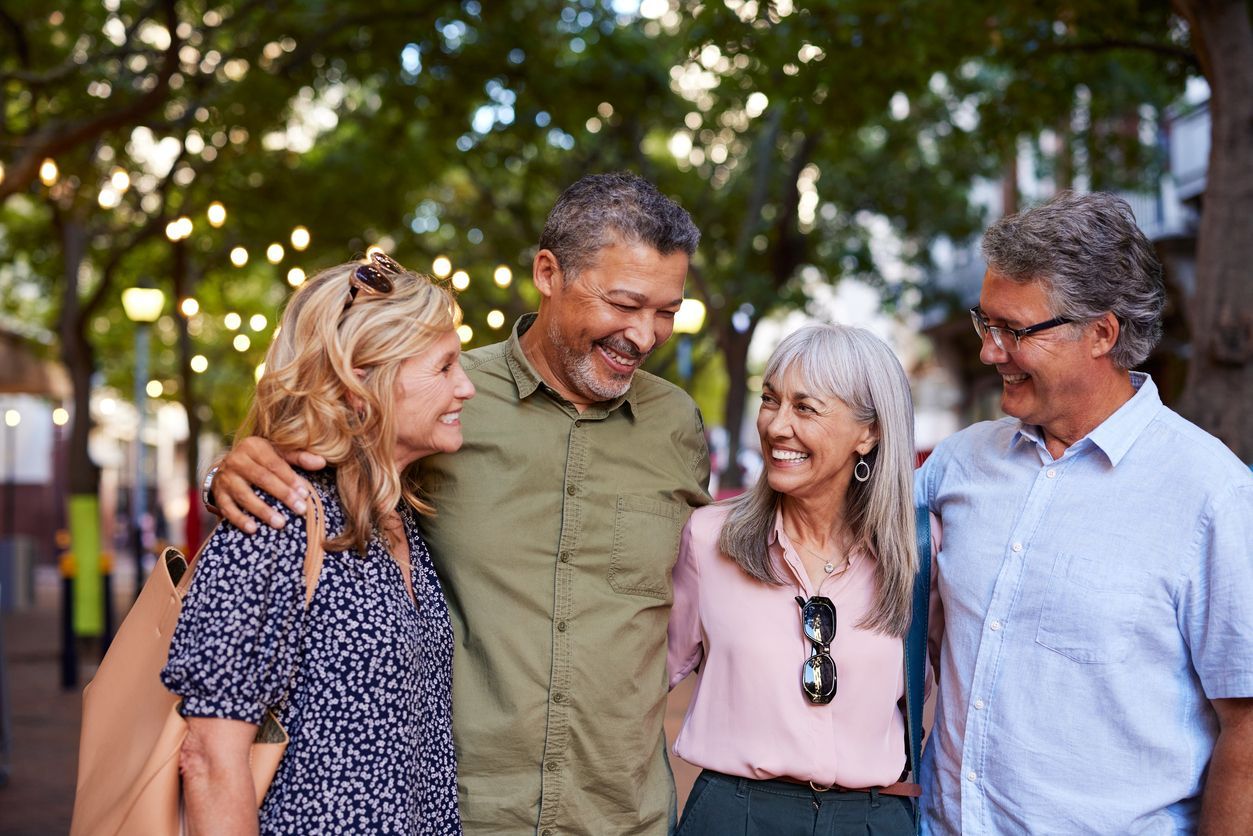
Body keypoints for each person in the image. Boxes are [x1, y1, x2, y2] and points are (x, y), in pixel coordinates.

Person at [205, 172, 711, 834]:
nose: (644, 335)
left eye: (665, 311)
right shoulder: (440, 401)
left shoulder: (677, 426)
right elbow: (322, 464)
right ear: (548, 272)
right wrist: (230, 470)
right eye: (623, 304)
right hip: (463, 816)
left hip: (621, 818)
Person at [916, 191, 1253, 834]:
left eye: (1014, 331)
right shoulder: (954, 468)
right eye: (985, 323)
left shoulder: (1212, 496)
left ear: (1102, 333)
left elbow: (1248, 727)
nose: (990, 351)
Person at [162, 252, 474, 834]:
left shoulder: (398, 518)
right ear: (361, 382)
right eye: (445, 367)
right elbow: (208, 759)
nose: (467, 387)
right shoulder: (276, 522)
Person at [668, 324, 925, 835]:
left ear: (868, 432)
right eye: (770, 400)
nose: (776, 426)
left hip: (873, 819)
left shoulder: (919, 552)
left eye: (805, 408)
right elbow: (637, 684)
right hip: (733, 816)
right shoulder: (708, 539)